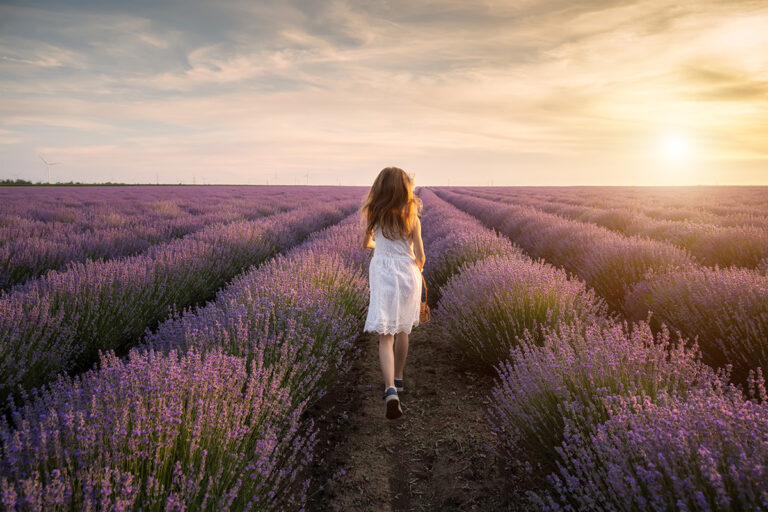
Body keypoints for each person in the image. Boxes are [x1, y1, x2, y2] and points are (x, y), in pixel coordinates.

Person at [361, 166, 426, 419]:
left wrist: (382, 247)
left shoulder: (375, 216)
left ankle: (390, 390)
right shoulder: (413, 219)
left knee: (385, 335)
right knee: (403, 329)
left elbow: (366, 244)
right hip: (408, 274)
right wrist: (412, 266)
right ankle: (399, 378)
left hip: (383, 273)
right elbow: (420, 257)